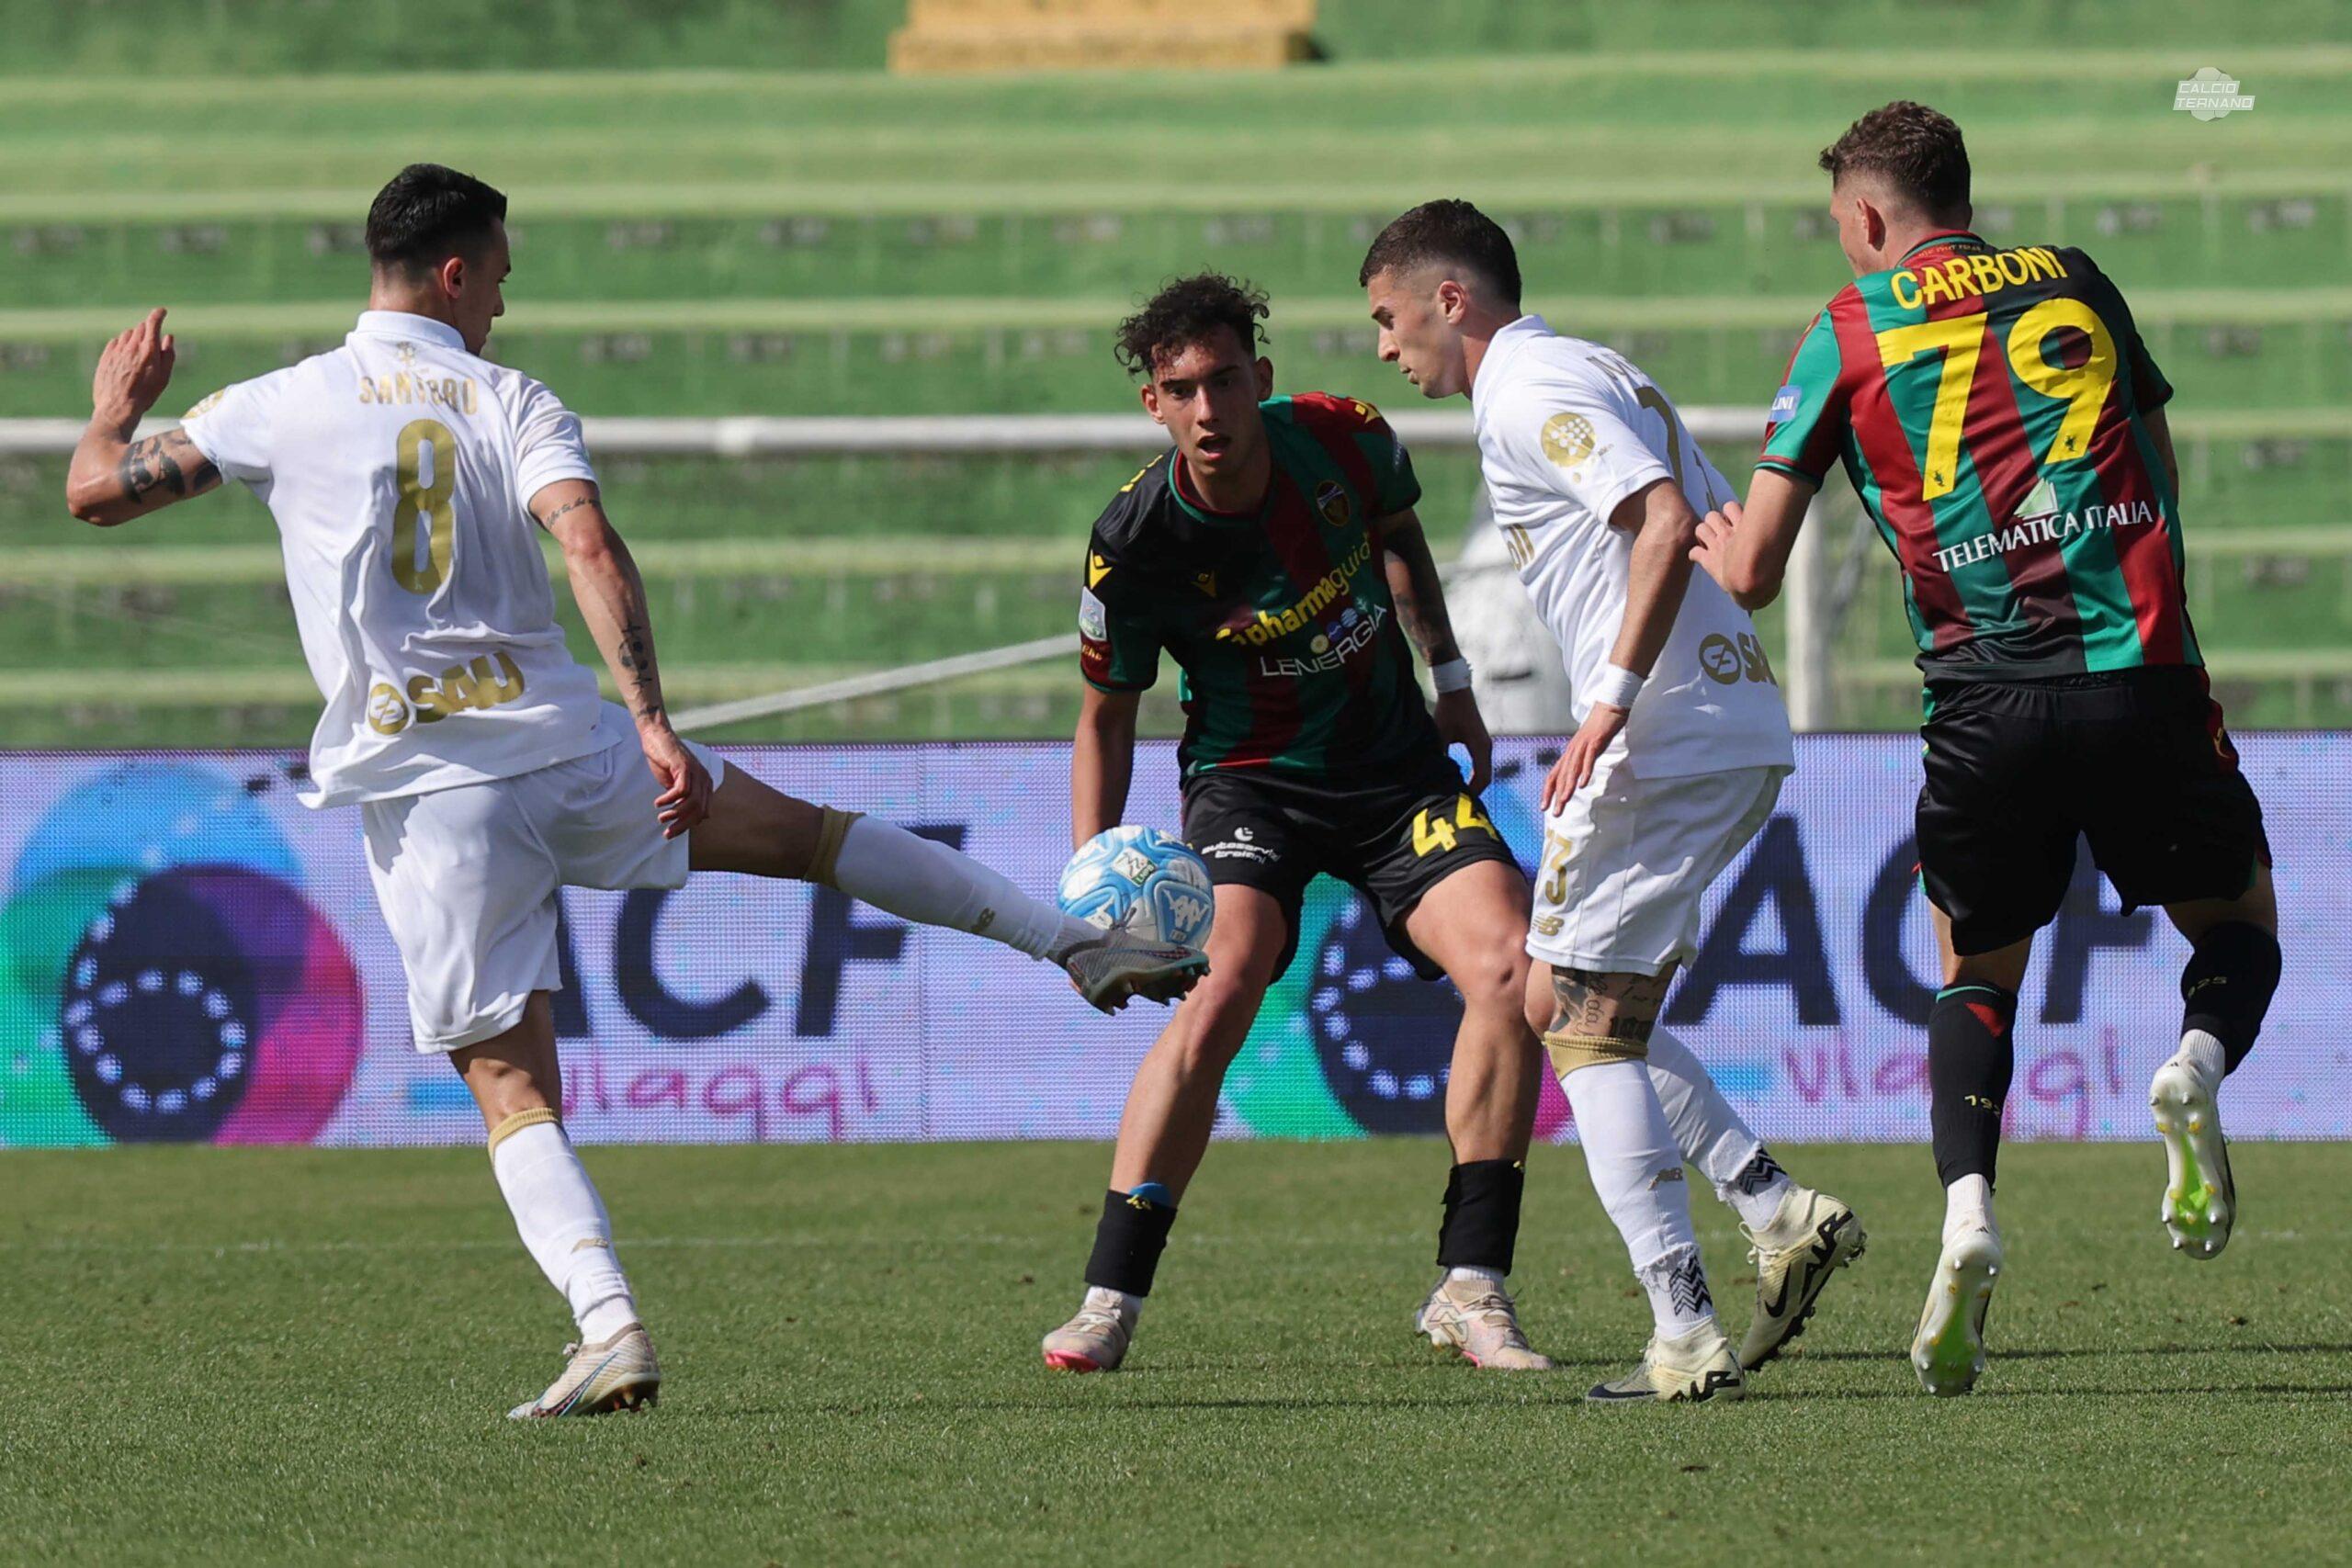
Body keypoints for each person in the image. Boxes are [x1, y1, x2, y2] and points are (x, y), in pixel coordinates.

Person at [63, 163, 1207, 1419]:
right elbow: (588, 542)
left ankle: (610, 1325)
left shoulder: (274, 403)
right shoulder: (510, 398)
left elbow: (94, 496)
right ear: (452, 272)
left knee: (513, 1091)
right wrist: (655, 721)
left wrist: (114, 412)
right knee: (816, 838)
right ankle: (1074, 942)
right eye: (499, 268)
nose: (506, 292)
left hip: (433, 790)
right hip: (570, 744)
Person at [1688, 102, 2280, 1396]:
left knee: (1977, 969)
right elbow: (2159, 468)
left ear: (1864, 216)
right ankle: (2190, 1065)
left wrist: (1691, 530)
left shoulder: (1852, 325)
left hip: (1985, 704)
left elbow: (1754, 566)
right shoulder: (2075, 279)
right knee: (2240, 926)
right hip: (2141, 675)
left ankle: (1967, 1214)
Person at [1360, 200, 1866, 1404]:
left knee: (1579, 1024)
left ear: (1450, 299)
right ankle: (1773, 1203)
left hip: (1663, 737)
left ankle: (1684, 1330)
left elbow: (1663, 523)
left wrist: (1609, 701)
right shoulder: (1583, 368)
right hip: (1718, 725)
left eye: (1387, 318)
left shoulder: (1533, 387)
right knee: (1565, 998)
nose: (1386, 348)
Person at [1040, 274, 1555, 1373]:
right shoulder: (1131, 543)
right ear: (1154, 407)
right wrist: (1092, 883)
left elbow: (1402, 537)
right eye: (1182, 389)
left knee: (1515, 967)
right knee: (1225, 980)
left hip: (1395, 774)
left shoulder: (1341, 438)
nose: (1209, 408)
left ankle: (1472, 1286)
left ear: (1260, 379)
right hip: (1250, 787)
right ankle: (1108, 1297)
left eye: (1226, 380)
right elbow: (1104, 718)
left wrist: (1451, 676)